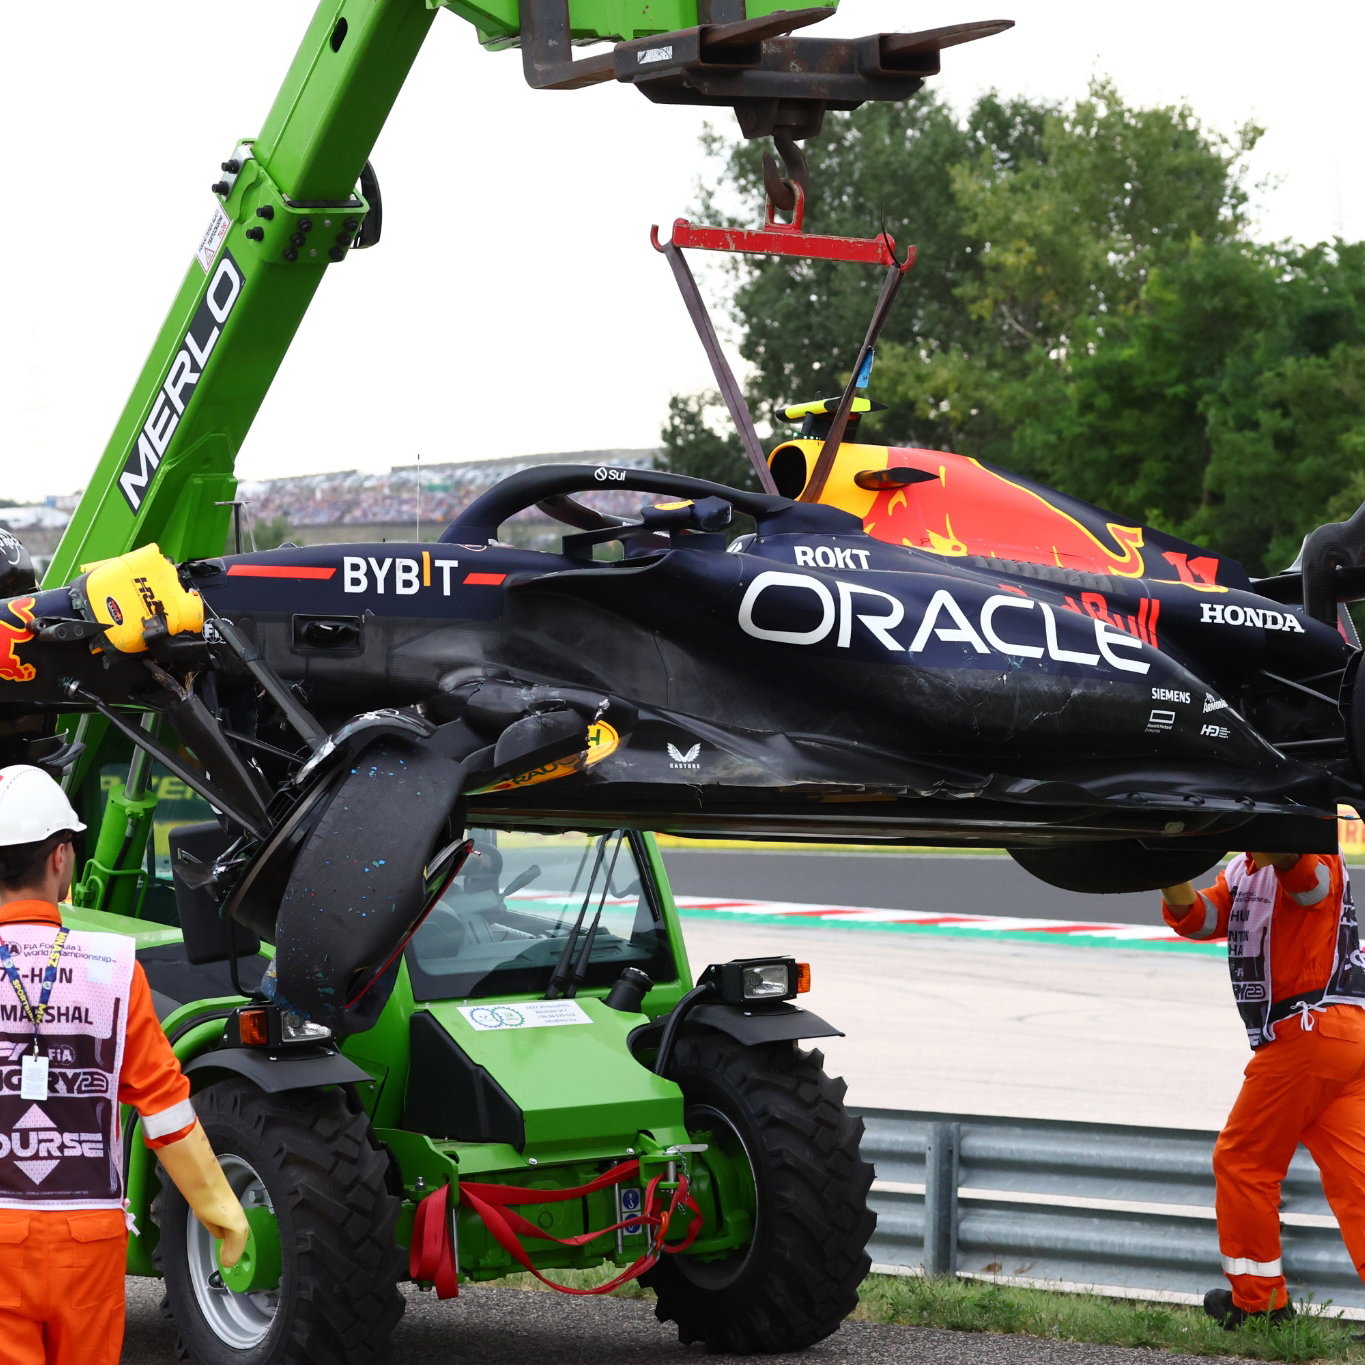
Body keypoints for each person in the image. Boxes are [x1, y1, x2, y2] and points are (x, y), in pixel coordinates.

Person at [0, 764, 248, 1364]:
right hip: (87, 1239)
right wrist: (220, 1209)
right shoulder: (113, 970)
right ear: (61, 858)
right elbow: (165, 1110)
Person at [1160, 848, 1365, 1330]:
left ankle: (1258, 1306)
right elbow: (1198, 917)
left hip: (1306, 1030)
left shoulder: (1316, 856)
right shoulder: (1242, 870)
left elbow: (1308, 884)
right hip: (1341, 1034)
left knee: (1243, 1162)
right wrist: (1166, 866)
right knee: (1357, 1181)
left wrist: (1267, 836)